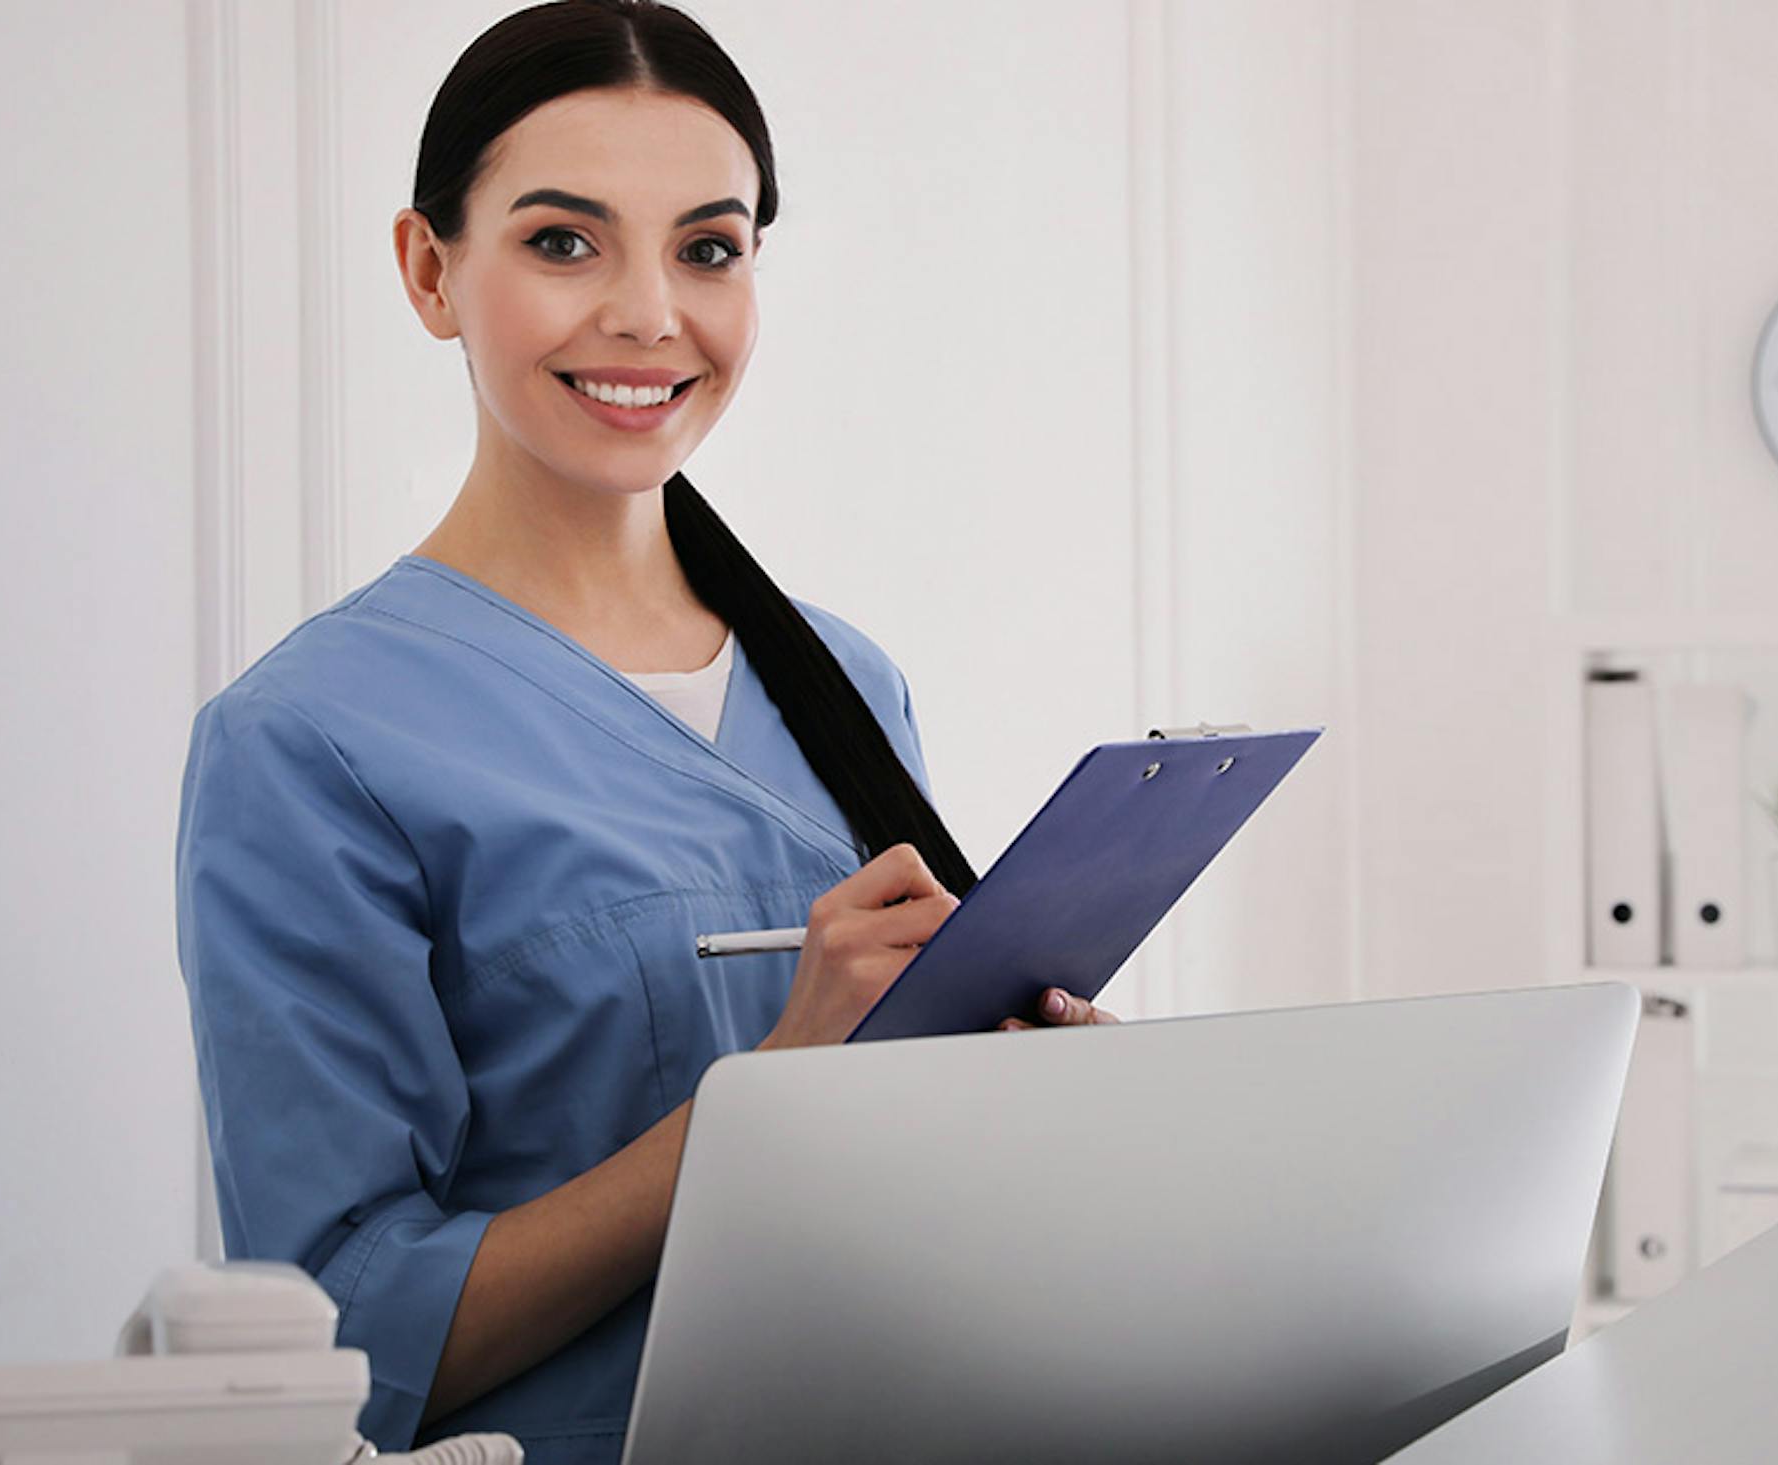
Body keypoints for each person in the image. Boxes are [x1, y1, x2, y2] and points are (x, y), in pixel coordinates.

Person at [171, 3, 1115, 1456]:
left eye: (708, 248)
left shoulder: (846, 681)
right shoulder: (309, 741)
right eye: (564, 241)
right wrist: (759, 1110)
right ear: (431, 271)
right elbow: (340, 1335)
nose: (648, 313)